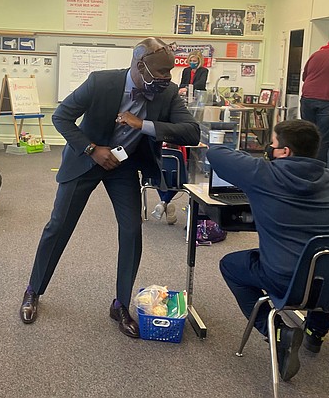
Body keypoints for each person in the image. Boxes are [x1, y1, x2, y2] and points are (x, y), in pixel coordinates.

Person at [19, 37, 200, 338]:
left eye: (169, 75)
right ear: (138, 66)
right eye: (158, 75)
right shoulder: (101, 82)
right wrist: (92, 149)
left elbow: (191, 132)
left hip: (124, 166)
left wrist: (143, 125)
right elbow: (61, 116)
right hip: (86, 160)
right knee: (58, 226)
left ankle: (120, 304)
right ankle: (33, 290)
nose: (165, 81)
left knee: (131, 231)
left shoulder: (167, 92)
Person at [208, 119, 329, 382]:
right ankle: (315, 334)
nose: (269, 149)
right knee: (325, 265)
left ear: (285, 152)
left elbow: (215, 153)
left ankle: (278, 332)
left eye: (271, 145)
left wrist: (258, 159)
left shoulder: (263, 174)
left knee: (230, 265)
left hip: (287, 280)